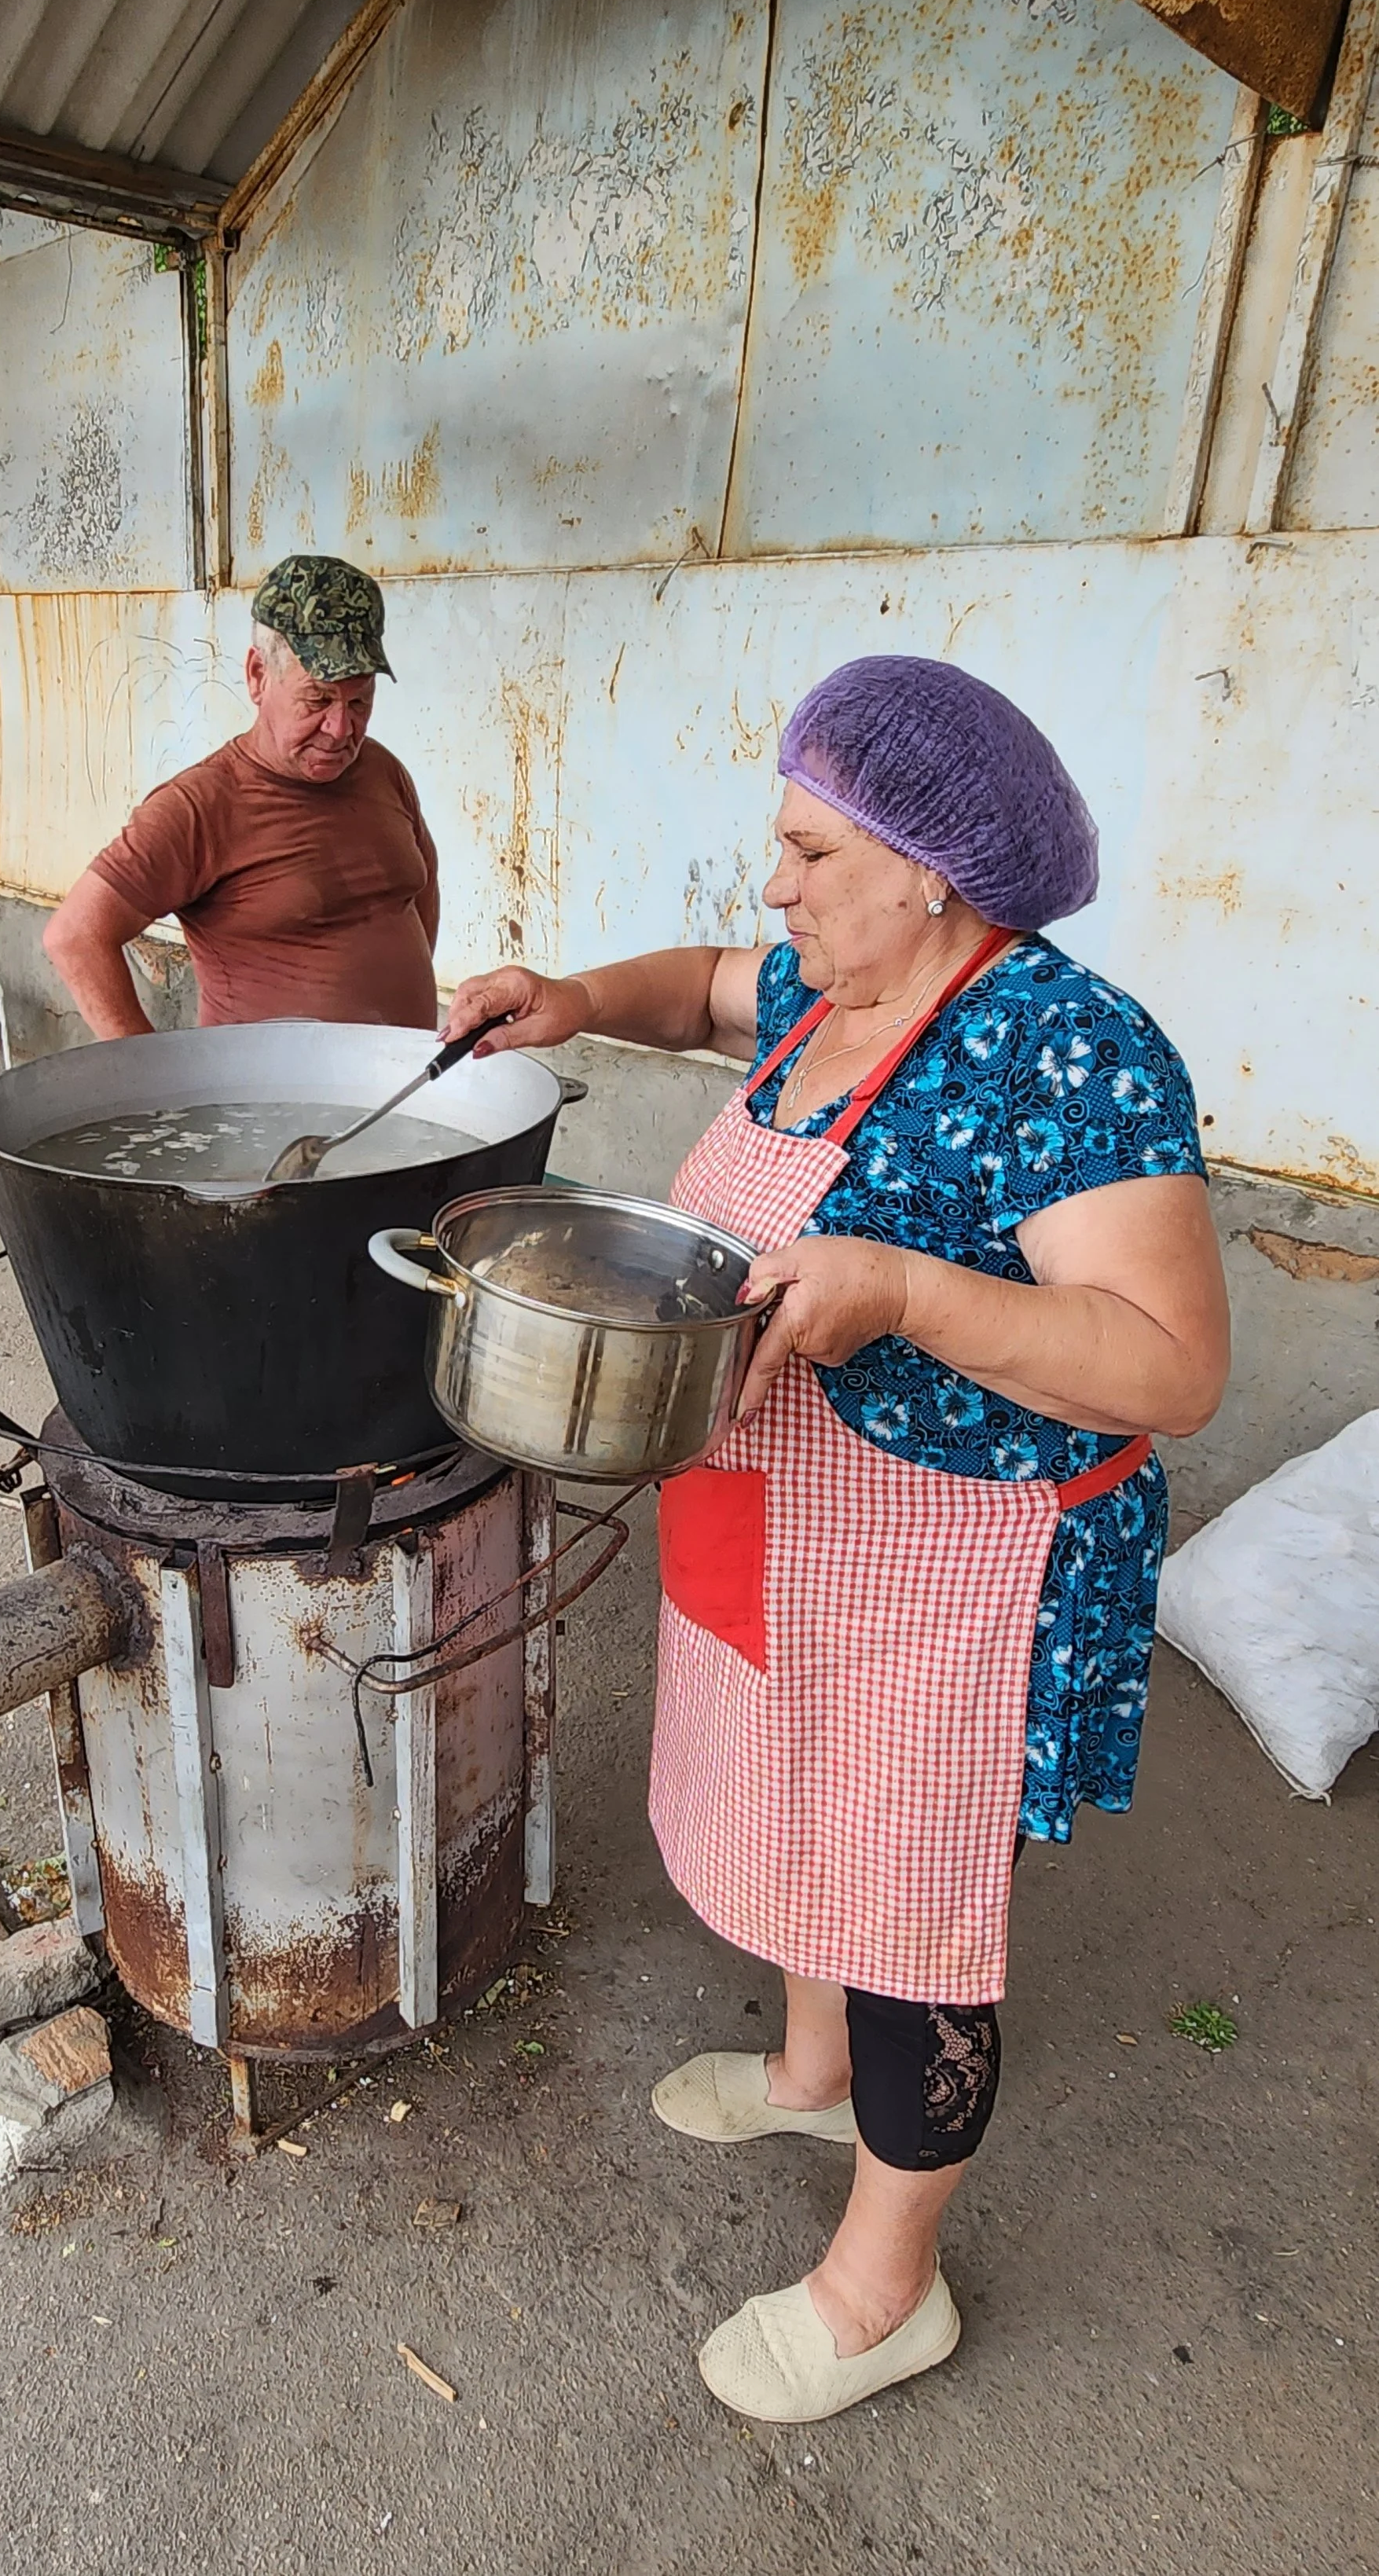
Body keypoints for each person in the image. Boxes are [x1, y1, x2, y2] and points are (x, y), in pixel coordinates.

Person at [442, 655, 1229, 2427]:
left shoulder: (1067, 1049)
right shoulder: (825, 984)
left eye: (804, 848)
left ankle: (886, 2286)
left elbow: (1173, 1365)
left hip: (951, 1560)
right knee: (785, 1799)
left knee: (904, 1911)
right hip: (781, 1511)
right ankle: (804, 2071)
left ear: (926, 868)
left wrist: (905, 1288)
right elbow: (690, 987)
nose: (772, 889)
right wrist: (571, 994)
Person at [44, 556, 438, 1037]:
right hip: (266, 1104)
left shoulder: (382, 770)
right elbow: (75, 936)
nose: (340, 729)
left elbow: (421, 887)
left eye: (359, 701)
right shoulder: (200, 806)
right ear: (257, 676)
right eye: (317, 699)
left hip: (404, 1085)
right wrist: (148, 1076)